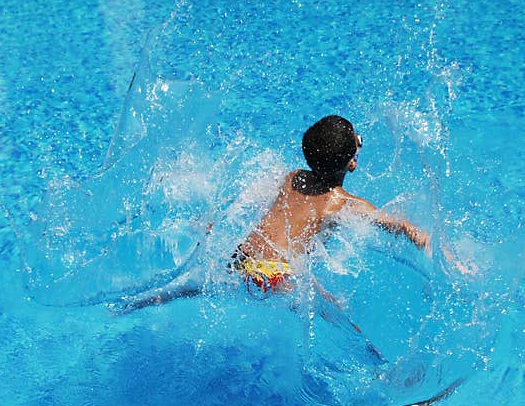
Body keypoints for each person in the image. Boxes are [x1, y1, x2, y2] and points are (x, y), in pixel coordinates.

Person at [117, 114, 461, 313]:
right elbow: (398, 227)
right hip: (275, 274)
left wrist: (210, 224)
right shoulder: (340, 204)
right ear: (352, 163)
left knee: (190, 288)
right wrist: (435, 247)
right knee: (334, 314)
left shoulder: (291, 178)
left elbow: (244, 200)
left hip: (242, 256)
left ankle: (133, 303)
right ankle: (377, 365)